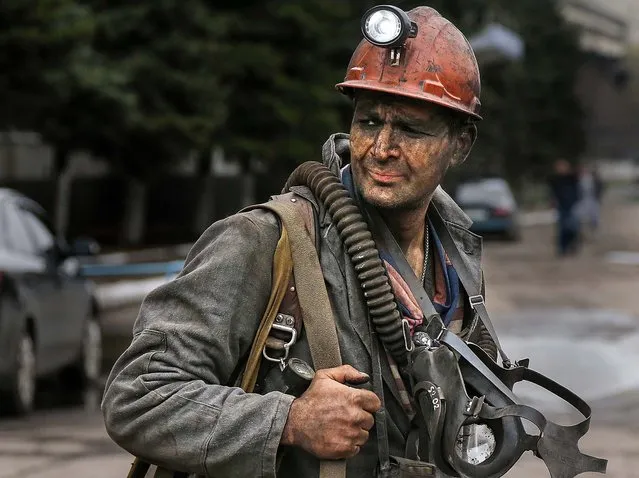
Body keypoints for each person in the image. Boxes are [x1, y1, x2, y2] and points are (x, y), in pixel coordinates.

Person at [102, 6, 496, 477]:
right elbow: (138, 396)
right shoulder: (264, 241)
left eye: (410, 129)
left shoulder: (455, 252)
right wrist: (288, 421)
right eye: (369, 121)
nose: (381, 148)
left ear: (461, 142)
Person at [548, 159, 581, 256]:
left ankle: (572, 245)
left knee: (572, 227)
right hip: (561, 205)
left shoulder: (572, 178)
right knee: (562, 228)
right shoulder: (555, 180)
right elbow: (553, 192)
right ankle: (562, 248)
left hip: (572, 205)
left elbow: (577, 188)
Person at [577, 162, 604, 233]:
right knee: (581, 217)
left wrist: (598, 196)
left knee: (594, 217)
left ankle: (594, 230)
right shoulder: (578, 180)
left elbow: (600, 187)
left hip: (593, 199)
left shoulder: (594, 179)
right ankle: (580, 233)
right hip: (582, 200)